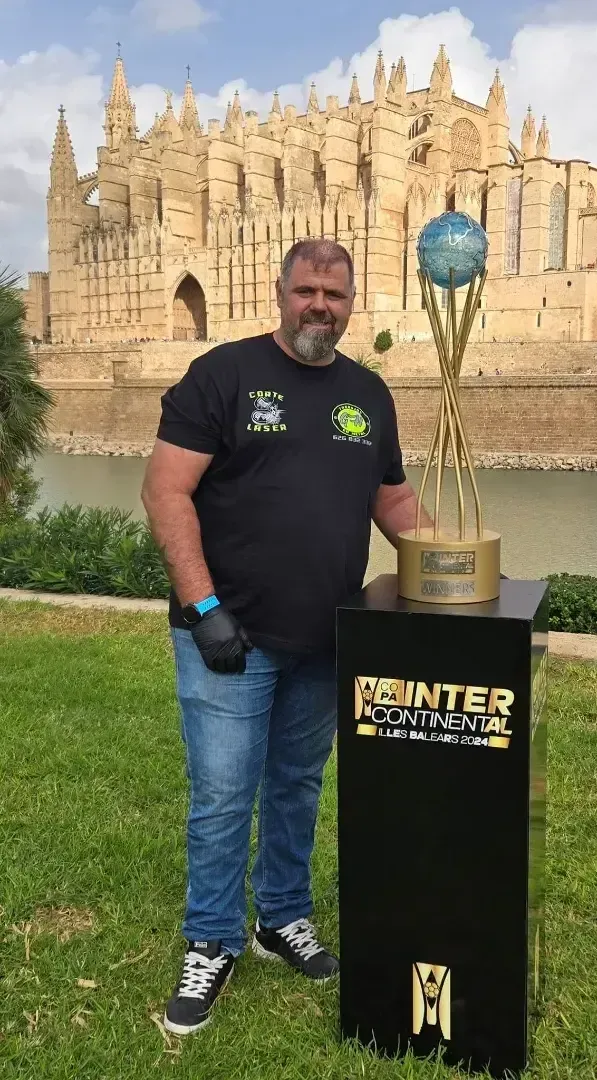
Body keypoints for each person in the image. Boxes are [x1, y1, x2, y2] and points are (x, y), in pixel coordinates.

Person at [141, 238, 424, 1037]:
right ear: (280, 291)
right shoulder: (222, 375)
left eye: (334, 295)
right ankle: (211, 939)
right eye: (306, 291)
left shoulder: (368, 393)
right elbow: (165, 491)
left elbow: (394, 500)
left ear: (351, 302)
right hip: (228, 634)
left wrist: (453, 569)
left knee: (298, 784)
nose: (319, 307)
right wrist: (203, 608)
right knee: (224, 794)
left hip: (324, 637)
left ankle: (280, 918)